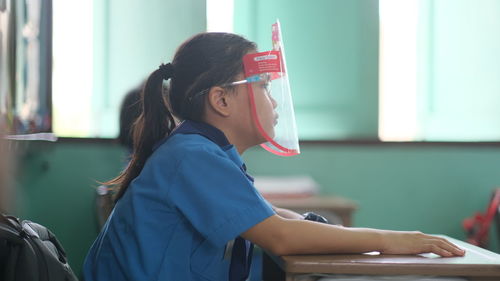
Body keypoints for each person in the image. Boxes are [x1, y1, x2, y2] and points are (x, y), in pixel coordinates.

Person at [83, 32, 465, 281]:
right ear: (221, 99)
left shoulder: (205, 152)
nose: (273, 99)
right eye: (264, 86)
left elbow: (264, 214)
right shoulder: (192, 156)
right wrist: (394, 239)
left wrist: (323, 227)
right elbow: (279, 236)